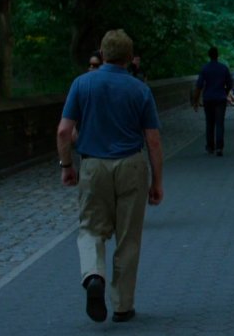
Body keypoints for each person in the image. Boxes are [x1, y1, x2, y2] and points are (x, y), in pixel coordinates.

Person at [55, 29, 163, 324]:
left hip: (93, 166)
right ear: (129, 59)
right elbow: (152, 139)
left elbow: (64, 131)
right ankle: (123, 305)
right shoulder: (140, 90)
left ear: (101, 55)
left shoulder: (82, 84)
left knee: (90, 229)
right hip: (131, 165)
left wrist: (67, 165)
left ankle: (93, 275)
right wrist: (157, 182)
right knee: (128, 238)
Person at [192, 47, 233, 156]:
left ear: (209, 55)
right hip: (220, 98)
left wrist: (195, 100)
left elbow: (199, 86)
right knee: (220, 123)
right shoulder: (223, 68)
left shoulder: (205, 68)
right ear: (217, 55)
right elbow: (230, 84)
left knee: (210, 123)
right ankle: (219, 147)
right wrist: (225, 91)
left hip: (208, 98)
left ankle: (210, 146)